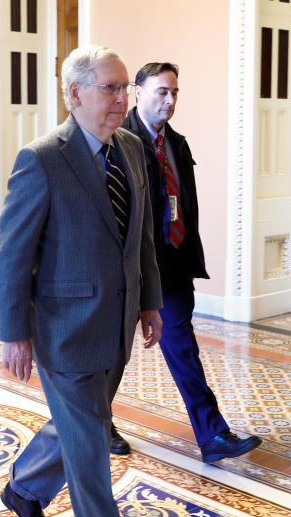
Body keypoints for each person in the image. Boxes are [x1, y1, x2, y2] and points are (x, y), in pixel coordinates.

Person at [0, 45, 162, 517]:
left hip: (115, 327)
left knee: (76, 428)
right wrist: (14, 332)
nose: (123, 99)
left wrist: (150, 303)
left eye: (125, 89)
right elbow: (12, 254)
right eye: (112, 89)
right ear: (75, 94)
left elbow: (140, 237)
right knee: (90, 450)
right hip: (63, 331)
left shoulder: (134, 149)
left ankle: (23, 489)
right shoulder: (42, 159)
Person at [109, 63, 262, 464]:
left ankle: (212, 435)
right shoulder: (116, 142)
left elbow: (184, 210)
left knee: (183, 348)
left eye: (175, 92)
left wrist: (189, 257)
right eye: (161, 91)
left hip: (170, 266)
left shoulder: (176, 144)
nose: (170, 100)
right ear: (137, 92)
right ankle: (97, 423)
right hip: (127, 270)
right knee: (112, 352)